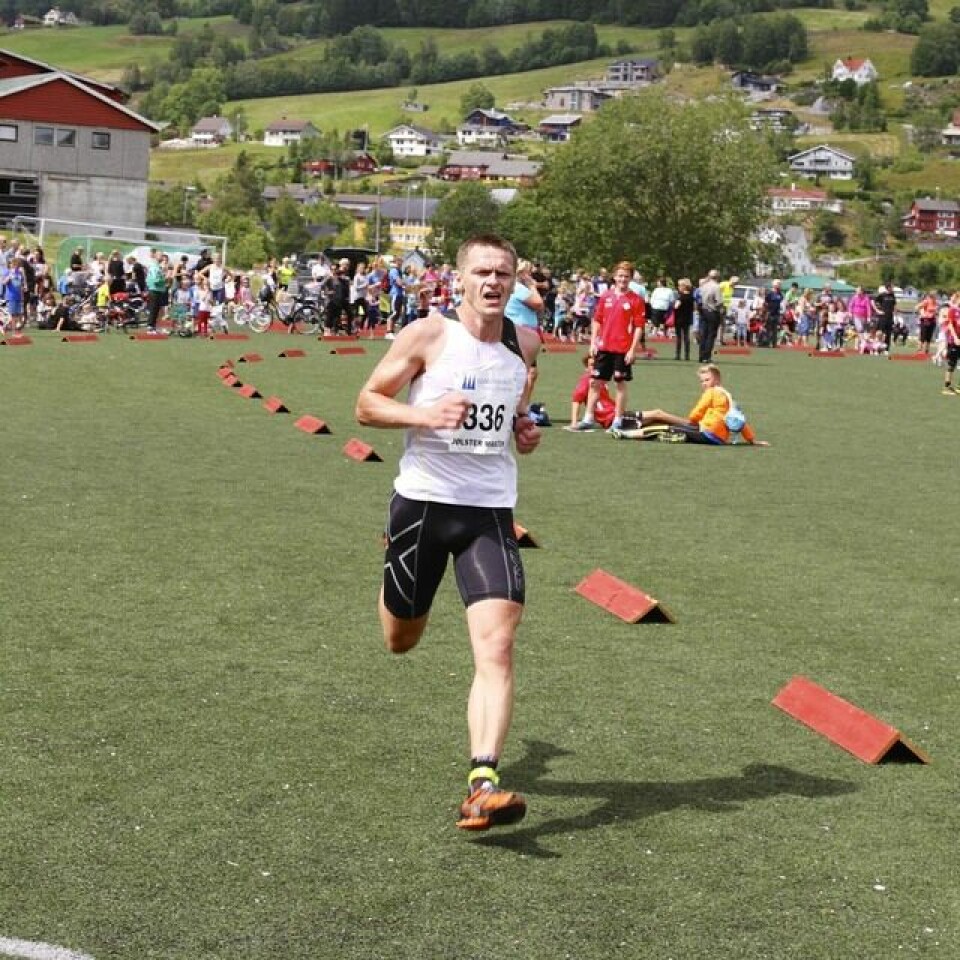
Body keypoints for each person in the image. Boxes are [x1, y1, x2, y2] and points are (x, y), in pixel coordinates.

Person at [355, 233, 541, 831]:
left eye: (504, 274)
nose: (493, 283)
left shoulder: (526, 342)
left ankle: (482, 780)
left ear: (514, 282)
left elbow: (516, 405)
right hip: (423, 507)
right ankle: (394, 587)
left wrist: (523, 430)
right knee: (400, 640)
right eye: (483, 272)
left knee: (498, 645)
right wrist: (422, 414)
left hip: (488, 512)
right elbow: (366, 404)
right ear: (459, 279)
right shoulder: (429, 335)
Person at [571, 260, 645, 433]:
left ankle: (617, 420)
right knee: (595, 382)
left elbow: (638, 326)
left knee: (620, 383)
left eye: (626, 276)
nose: (623, 279)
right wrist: (593, 342)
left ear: (631, 278)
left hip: (622, 348)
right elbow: (597, 320)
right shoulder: (606, 296)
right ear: (614, 277)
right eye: (620, 276)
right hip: (604, 346)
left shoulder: (636, 299)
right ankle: (588, 417)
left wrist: (633, 349)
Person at [618, 364, 768, 446]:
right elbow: (740, 420)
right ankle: (630, 427)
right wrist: (752, 440)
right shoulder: (727, 395)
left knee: (664, 427)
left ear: (716, 380)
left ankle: (626, 433)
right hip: (720, 437)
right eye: (702, 381)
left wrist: (694, 422)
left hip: (709, 433)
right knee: (665, 424)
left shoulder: (711, 393)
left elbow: (694, 415)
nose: (704, 384)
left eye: (707, 380)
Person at [565, 354, 616, 430]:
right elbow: (576, 400)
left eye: (597, 364)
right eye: (592, 365)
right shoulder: (587, 379)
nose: (595, 367)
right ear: (586, 368)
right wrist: (574, 422)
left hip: (613, 416)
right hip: (611, 417)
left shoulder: (600, 380)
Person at [697, 269, 724, 362]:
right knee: (711, 335)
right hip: (712, 311)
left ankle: (701, 355)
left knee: (703, 334)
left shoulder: (703, 286)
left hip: (703, 311)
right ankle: (706, 356)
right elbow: (719, 301)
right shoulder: (716, 287)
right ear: (717, 277)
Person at [673, 277, 695, 360]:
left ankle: (678, 354)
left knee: (679, 337)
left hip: (679, 319)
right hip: (688, 318)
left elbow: (676, 307)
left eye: (679, 286)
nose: (678, 287)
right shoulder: (691, 297)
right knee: (686, 337)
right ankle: (687, 355)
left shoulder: (680, 297)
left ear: (683, 286)